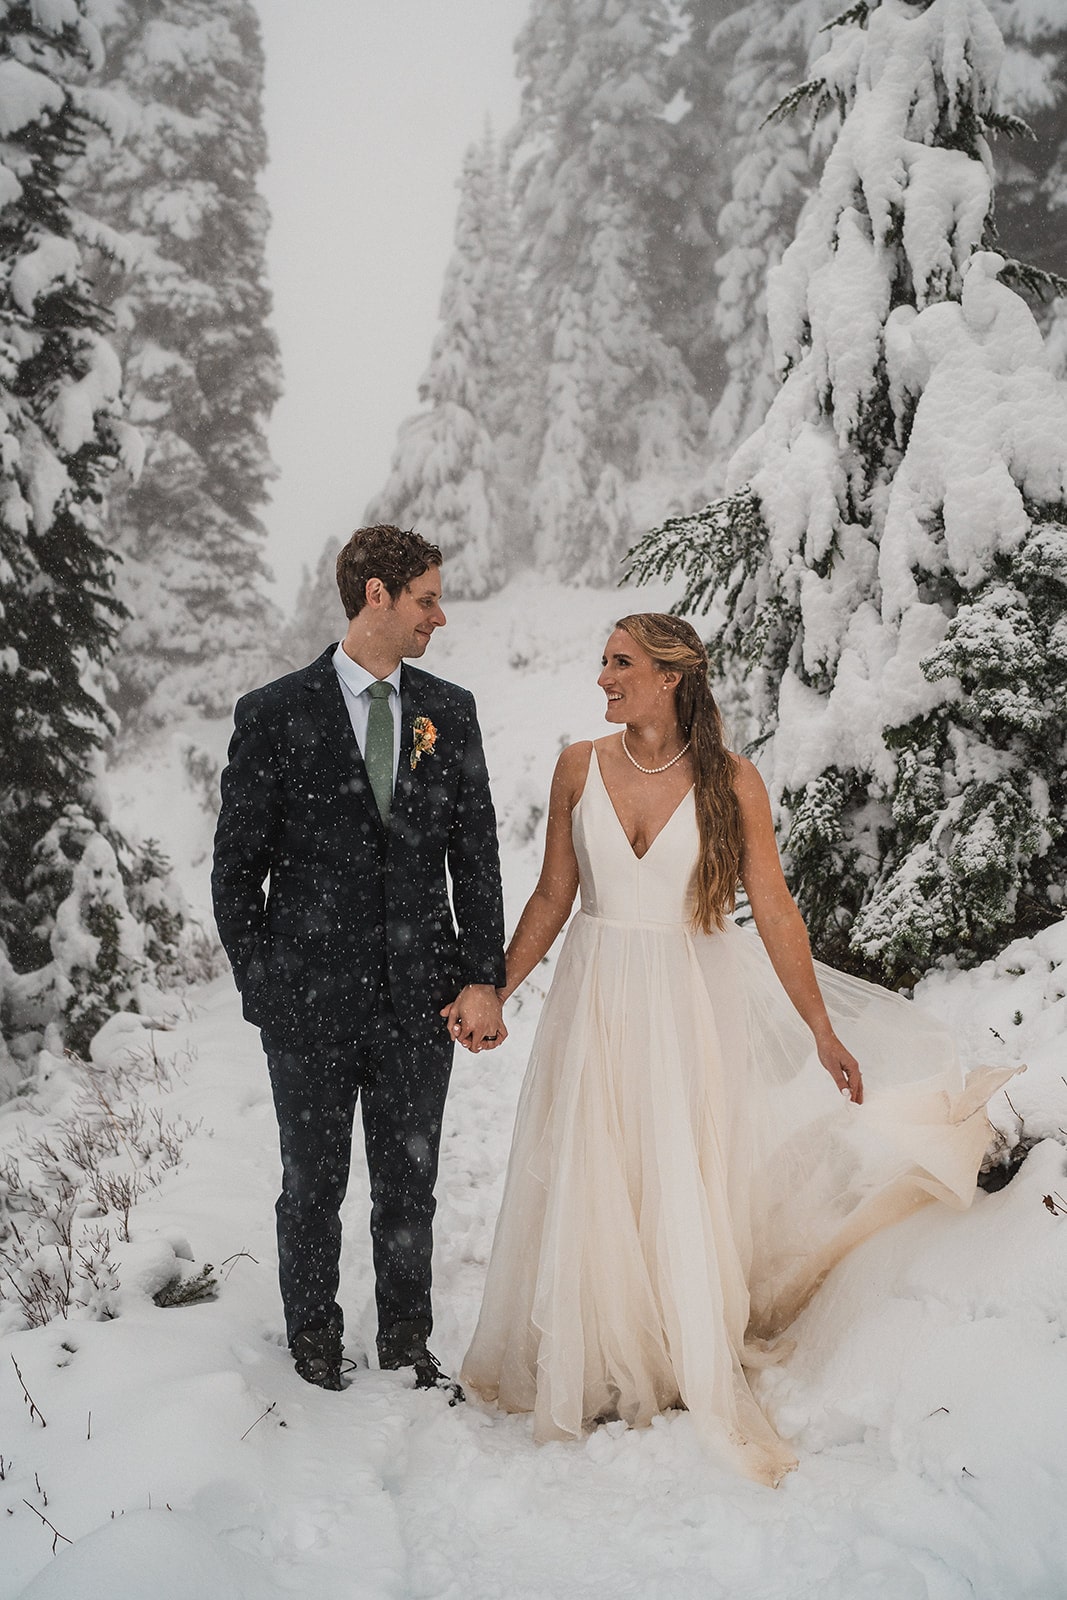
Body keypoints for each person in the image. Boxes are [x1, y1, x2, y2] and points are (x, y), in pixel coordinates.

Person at [460, 612, 1016, 1484]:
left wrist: (821, 1029)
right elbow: (551, 898)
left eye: (621, 663)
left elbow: (777, 912)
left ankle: (678, 1350)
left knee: (676, 1165)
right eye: (602, 661)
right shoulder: (579, 767)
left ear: (672, 675)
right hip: (596, 989)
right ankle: (604, 1357)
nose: (603, 678)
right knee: (598, 1164)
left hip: (687, 997)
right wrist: (495, 985)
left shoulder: (732, 781)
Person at [212, 524, 506, 1395]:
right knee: (311, 1184)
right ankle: (312, 1337)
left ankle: (406, 1340)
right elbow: (236, 872)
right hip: (305, 1003)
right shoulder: (273, 713)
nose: (438, 617)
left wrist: (478, 975)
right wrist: (264, 986)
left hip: (420, 998)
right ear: (375, 595)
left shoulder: (447, 713)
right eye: (425, 599)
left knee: (409, 1184)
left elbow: (476, 859)